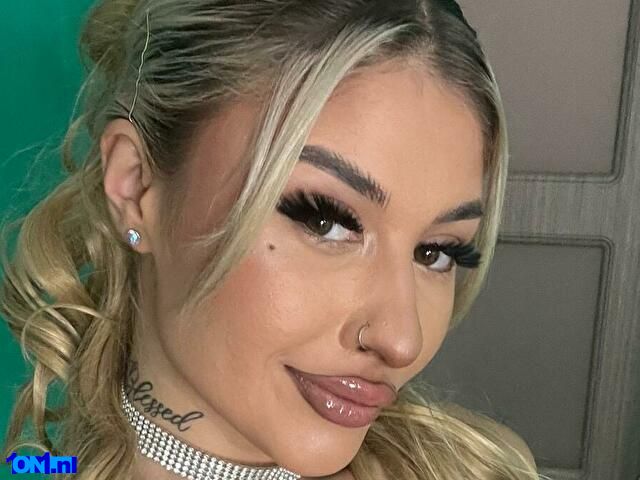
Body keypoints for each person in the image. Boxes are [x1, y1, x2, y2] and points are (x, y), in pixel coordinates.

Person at [0, 0, 542, 479]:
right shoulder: (40, 465)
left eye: (436, 252)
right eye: (327, 222)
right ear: (136, 187)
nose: (402, 340)